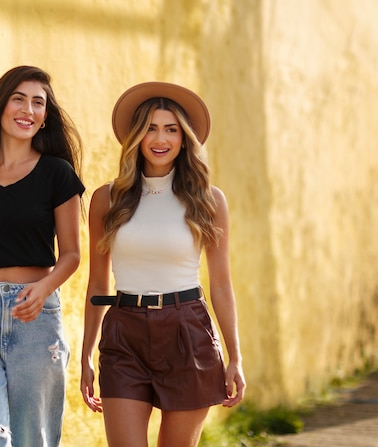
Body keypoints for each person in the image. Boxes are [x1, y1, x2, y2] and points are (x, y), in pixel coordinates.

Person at [80, 82, 245, 447]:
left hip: (188, 331)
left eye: (171, 129)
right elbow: (97, 284)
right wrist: (86, 354)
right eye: (150, 128)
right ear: (135, 137)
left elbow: (220, 284)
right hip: (124, 334)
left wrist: (235, 357)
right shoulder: (107, 199)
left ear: (185, 139)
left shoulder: (208, 200)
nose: (160, 138)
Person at [0, 65, 85, 447]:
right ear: (1, 106)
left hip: (35, 313)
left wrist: (43, 289)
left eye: (38, 103)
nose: (28, 109)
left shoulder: (57, 174)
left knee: (33, 438)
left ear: (45, 118)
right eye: (19, 99)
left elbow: (72, 254)